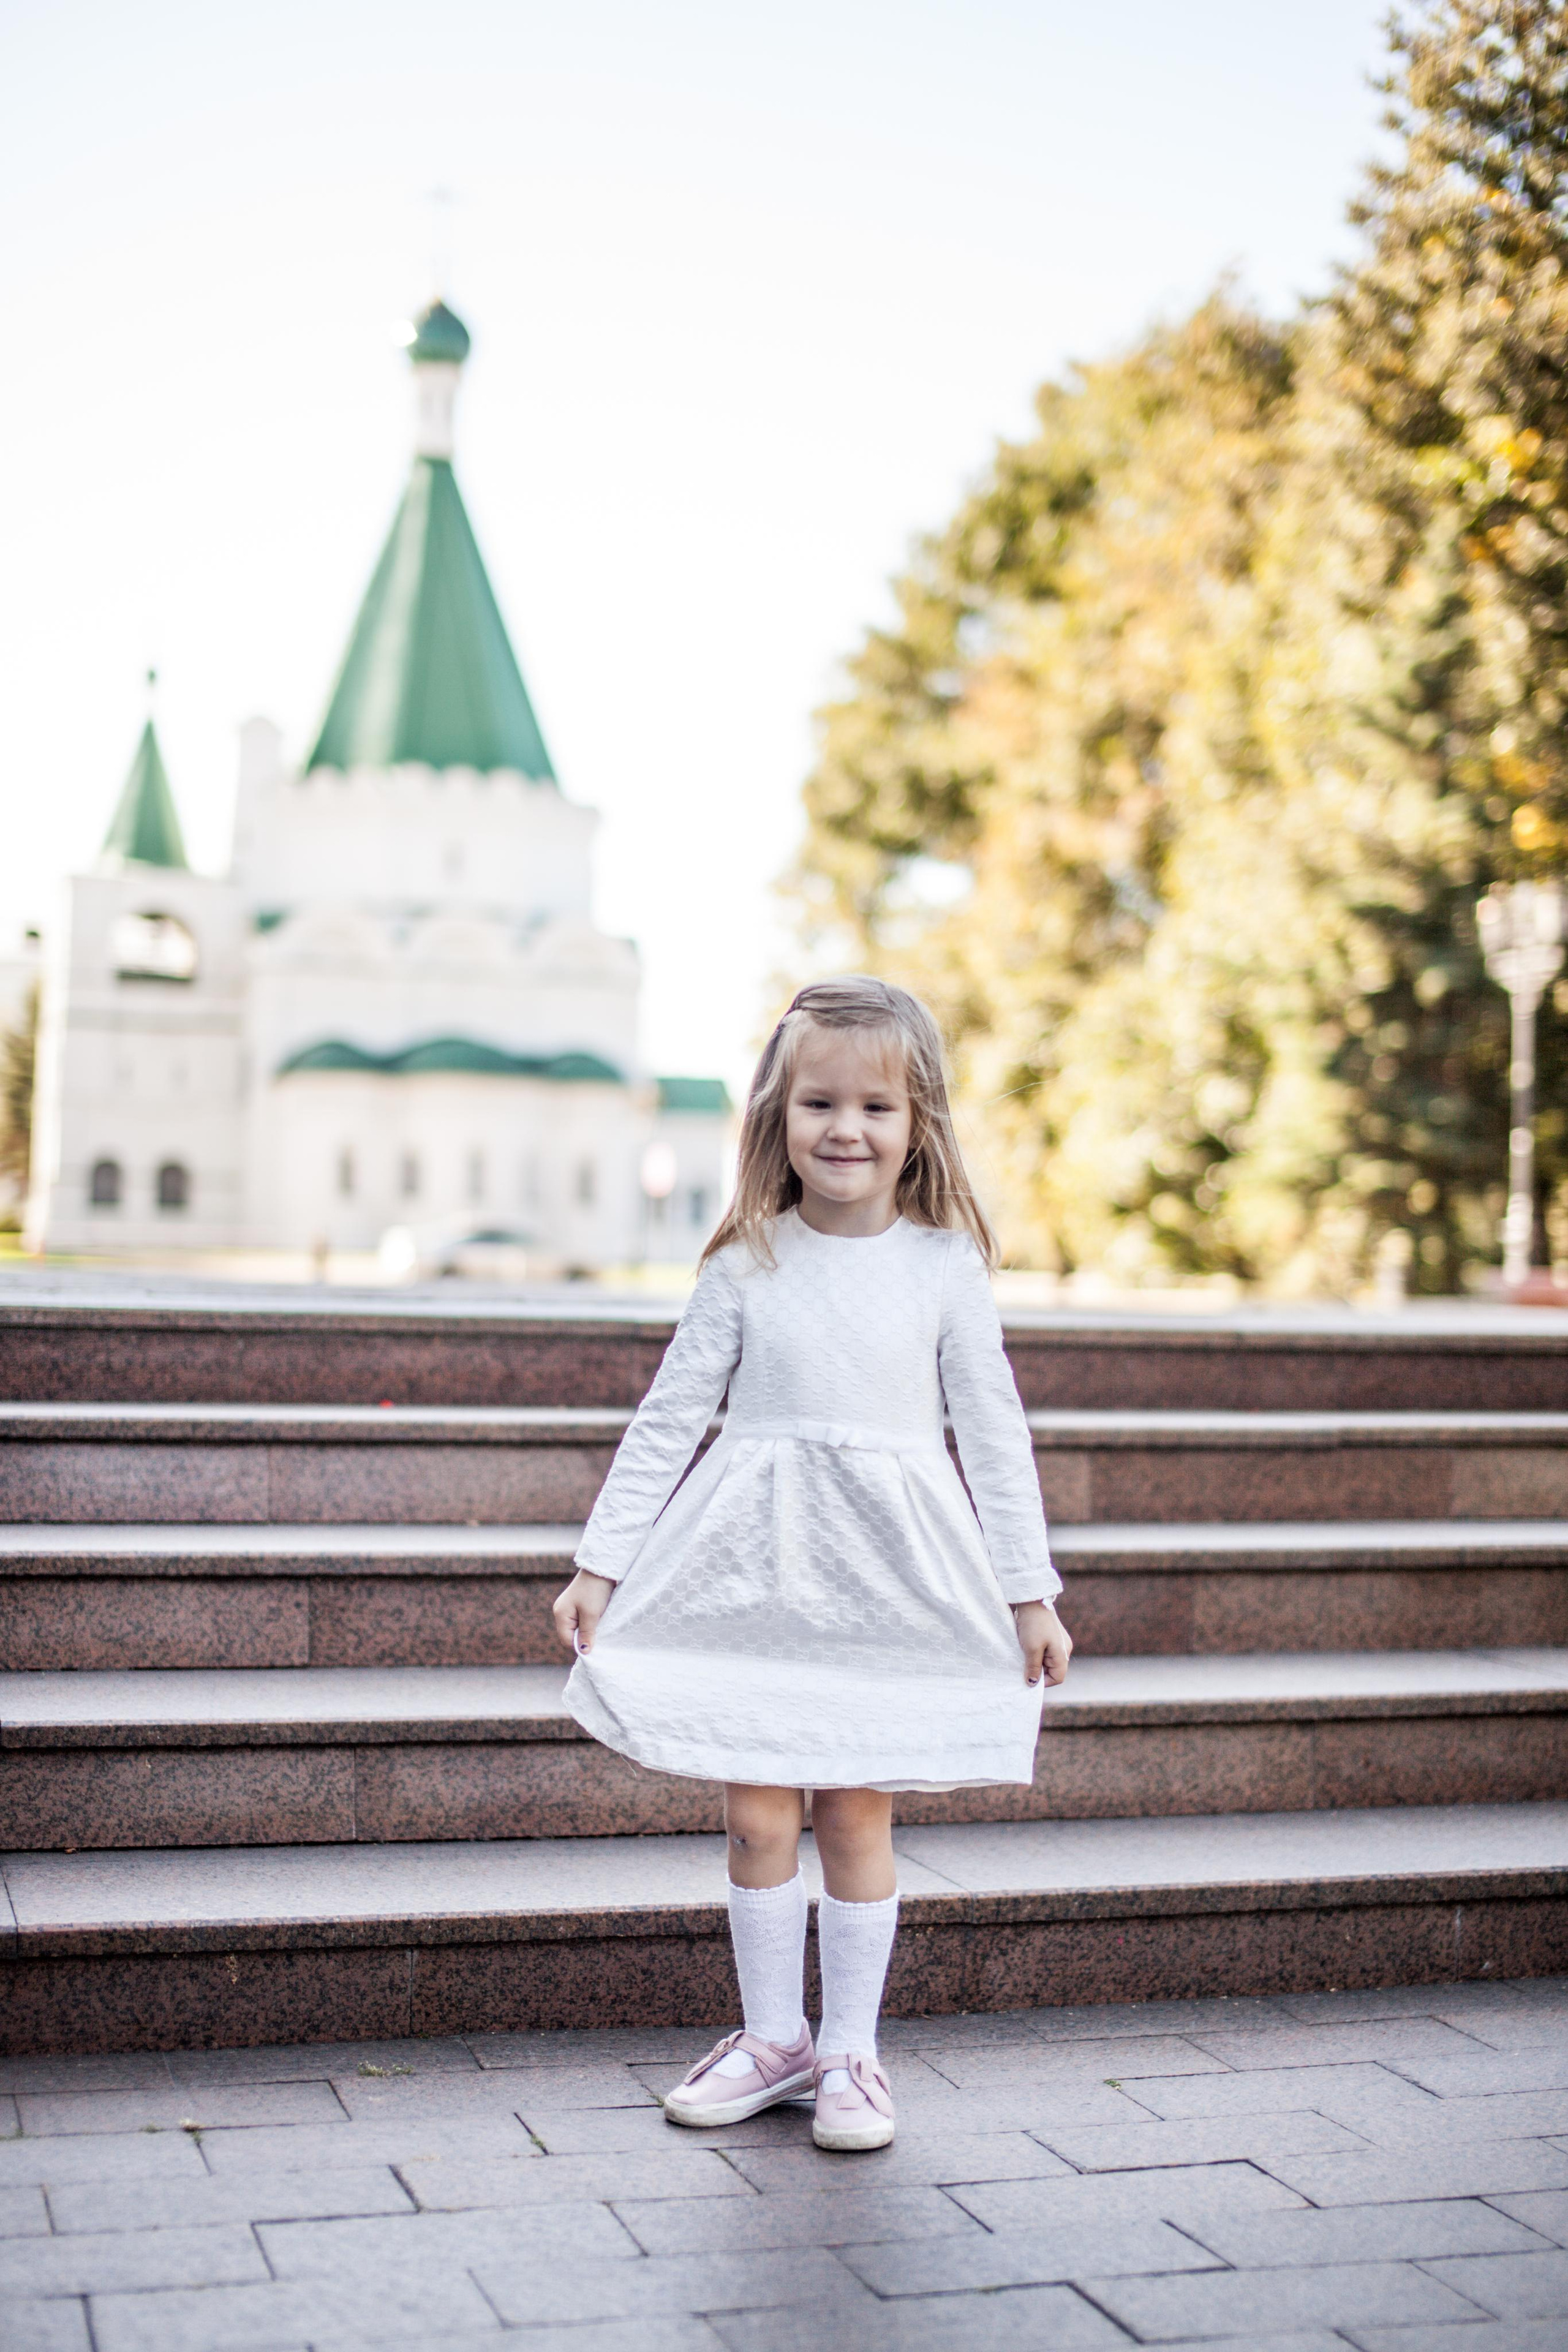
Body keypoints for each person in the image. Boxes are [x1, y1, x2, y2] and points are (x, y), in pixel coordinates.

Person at [554, 976, 1071, 2153]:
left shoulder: (944, 1268)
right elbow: (668, 1418)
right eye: (820, 1104)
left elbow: (992, 1431)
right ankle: (774, 2037)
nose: (847, 1129)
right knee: (755, 1813)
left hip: (888, 1582)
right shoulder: (747, 1261)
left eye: (877, 1108)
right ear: (776, 1120)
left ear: (917, 1126)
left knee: (855, 1808)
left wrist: (1027, 1591)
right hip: (752, 1571)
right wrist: (603, 1564)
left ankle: (851, 2051)